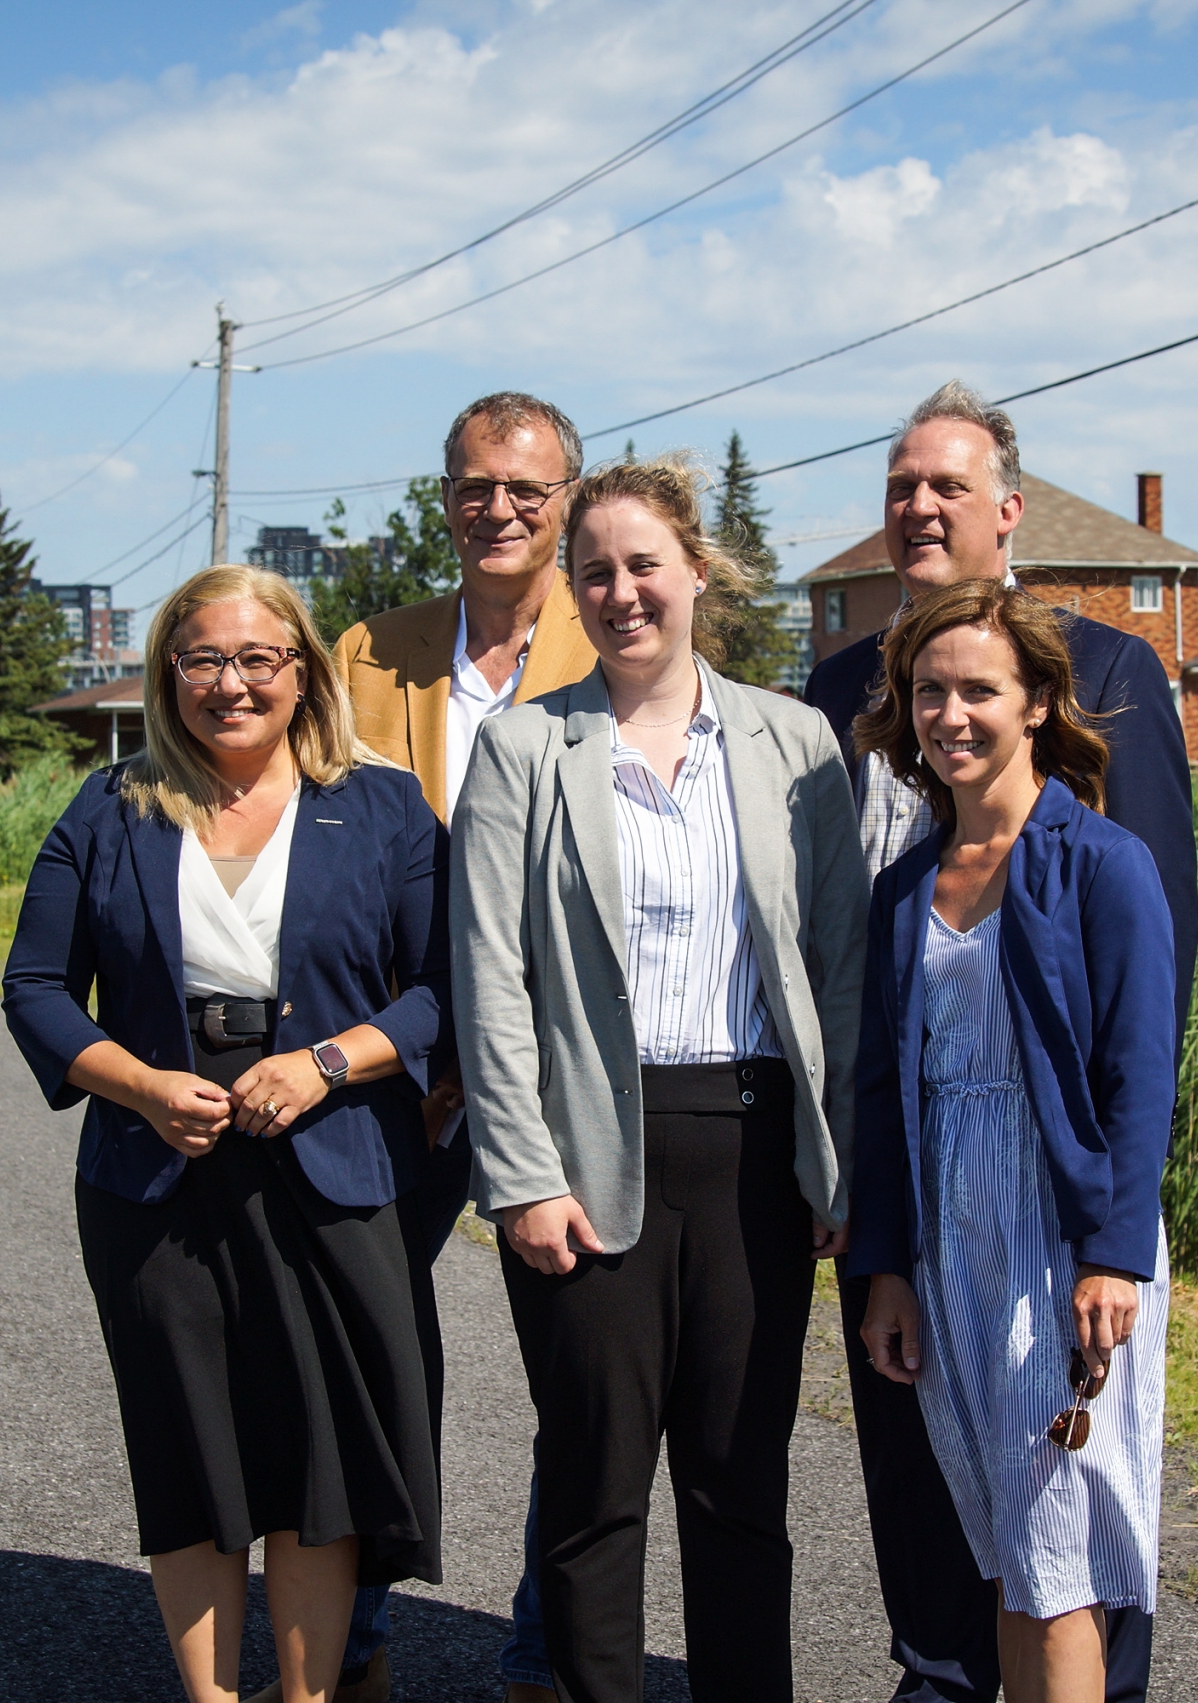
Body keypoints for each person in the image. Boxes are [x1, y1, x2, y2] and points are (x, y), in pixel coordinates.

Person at [802, 381, 1196, 1703]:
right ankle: (940, 1672)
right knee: (935, 1462)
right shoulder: (843, 694)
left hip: (1052, 1179)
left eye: (948, 485)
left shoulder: (1110, 675)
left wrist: (1113, 1216)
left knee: (1061, 1519)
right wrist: (870, 1213)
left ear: (1009, 509)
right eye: (901, 486)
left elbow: (1146, 989)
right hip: (917, 1164)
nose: (919, 506)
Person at [452, 455, 866, 1703]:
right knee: (594, 1485)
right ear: (569, 590)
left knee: (740, 1487)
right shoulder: (524, 746)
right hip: (587, 1158)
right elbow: (489, 976)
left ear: (696, 571)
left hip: (753, 1154)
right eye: (595, 572)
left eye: (644, 564)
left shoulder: (794, 740)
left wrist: (836, 1160)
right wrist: (521, 1178)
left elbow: (839, 967)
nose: (622, 591)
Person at [2, 565, 450, 1703]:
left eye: (258, 658)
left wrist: (326, 1061)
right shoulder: (110, 806)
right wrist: (140, 1086)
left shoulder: (384, 805)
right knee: (190, 1448)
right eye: (202, 658)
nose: (231, 683)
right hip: (156, 1172)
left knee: (319, 1457)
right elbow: (36, 987)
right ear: (169, 673)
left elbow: (446, 988)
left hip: (336, 1163)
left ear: (302, 671)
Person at [325, 390, 598, 1703]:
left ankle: (544, 1656)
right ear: (444, 498)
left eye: (526, 489)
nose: (499, 508)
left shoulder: (618, 634)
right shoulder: (367, 654)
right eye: (476, 485)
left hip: (565, 1065)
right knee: (362, 1344)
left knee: (584, 1370)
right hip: (406, 1062)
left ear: (566, 502)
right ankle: (350, 1640)